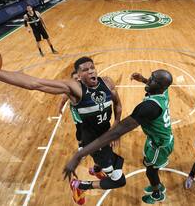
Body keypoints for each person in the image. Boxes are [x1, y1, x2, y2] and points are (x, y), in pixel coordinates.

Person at [0, 57, 124, 204]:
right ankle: (79, 186)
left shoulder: (107, 82)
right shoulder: (75, 89)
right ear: (78, 75)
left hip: (106, 134)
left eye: (92, 67)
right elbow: (34, 84)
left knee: (110, 159)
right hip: (93, 141)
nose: (91, 71)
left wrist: (116, 125)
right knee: (117, 179)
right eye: (85, 70)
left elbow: (117, 104)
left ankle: (96, 169)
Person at [63, 70, 174, 204]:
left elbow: (116, 132)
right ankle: (96, 170)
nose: (149, 80)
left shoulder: (148, 107)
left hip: (159, 145)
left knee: (150, 171)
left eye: (153, 80)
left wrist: (79, 154)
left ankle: (157, 193)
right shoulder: (163, 92)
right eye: (150, 77)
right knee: (142, 163)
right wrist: (143, 79)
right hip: (153, 140)